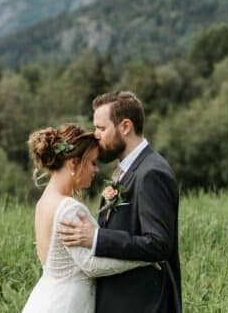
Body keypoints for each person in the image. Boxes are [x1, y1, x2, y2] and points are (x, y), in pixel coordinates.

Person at [58, 91, 182, 313]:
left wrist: (96, 237)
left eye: (101, 128)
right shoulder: (127, 171)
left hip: (145, 304)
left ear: (125, 127)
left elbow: (158, 244)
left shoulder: (151, 172)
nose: (95, 135)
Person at [23, 124, 149, 313]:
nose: (96, 170)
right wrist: (144, 258)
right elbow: (90, 265)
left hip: (46, 297)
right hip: (67, 304)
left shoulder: (43, 203)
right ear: (74, 163)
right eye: (92, 162)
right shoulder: (67, 208)